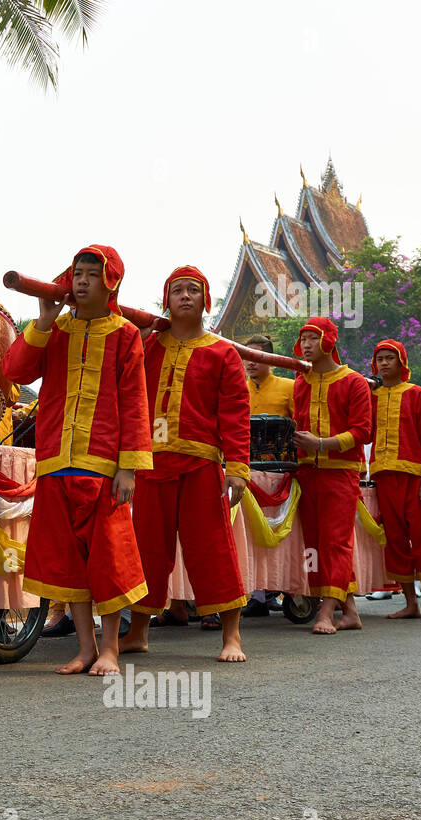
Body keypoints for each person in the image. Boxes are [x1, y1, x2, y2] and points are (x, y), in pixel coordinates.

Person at [2, 245, 151, 677]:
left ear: (111, 284)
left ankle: (110, 650)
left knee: (106, 561)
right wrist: (43, 321)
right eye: (77, 274)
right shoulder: (56, 329)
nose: (82, 281)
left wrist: (128, 467)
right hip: (54, 463)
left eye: (91, 274)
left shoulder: (125, 335)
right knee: (69, 565)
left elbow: (134, 403)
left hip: (103, 468)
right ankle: (85, 648)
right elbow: (15, 371)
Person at [121, 266, 249, 663]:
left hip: (200, 466)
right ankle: (139, 632)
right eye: (177, 290)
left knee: (213, 550)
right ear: (167, 300)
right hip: (150, 465)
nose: (186, 296)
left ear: (206, 301)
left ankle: (232, 636)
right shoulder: (147, 347)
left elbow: (235, 413)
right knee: (146, 551)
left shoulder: (222, 352)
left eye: (194, 290)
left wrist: (238, 469)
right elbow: (127, 399)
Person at [290, 317, 373, 634]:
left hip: (341, 473)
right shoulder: (301, 382)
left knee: (336, 543)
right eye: (304, 339)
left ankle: (325, 612)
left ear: (329, 342)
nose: (307, 345)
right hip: (306, 474)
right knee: (312, 545)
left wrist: (322, 444)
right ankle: (349, 611)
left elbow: (363, 432)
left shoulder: (354, 382)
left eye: (313, 338)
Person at [367, 341, 421, 620]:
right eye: (380, 359)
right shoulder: (372, 395)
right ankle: (410, 602)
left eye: (390, 358)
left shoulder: (416, 393)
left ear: (402, 362)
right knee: (395, 540)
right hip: (384, 477)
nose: (385, 363)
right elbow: (364, 433)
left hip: (415, 477)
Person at [238, 334, 295, 618]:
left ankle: (286, 588)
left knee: (282, 533)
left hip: (280, 474)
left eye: (257, 357)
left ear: (270, 360)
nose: (250, 363)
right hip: (246, 471)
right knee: (250, 533)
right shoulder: (237, 388)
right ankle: (257, 594)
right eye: (246, 357)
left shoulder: (289, 387)